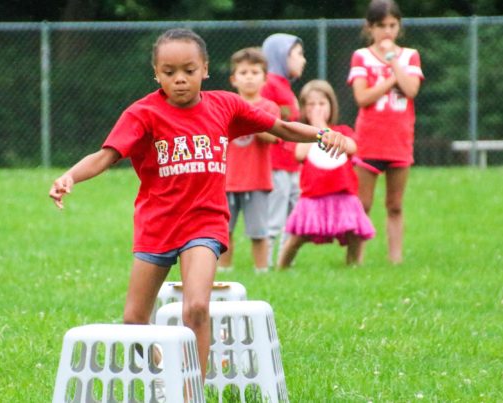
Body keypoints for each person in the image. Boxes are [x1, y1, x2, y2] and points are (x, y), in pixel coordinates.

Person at [48, 28, 349, 385]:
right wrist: (70, 177)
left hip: (204, 224)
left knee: (196, 307)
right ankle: (167, 373)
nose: (179, 79)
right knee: (133, 321)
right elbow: (105, 156)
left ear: (205, 69)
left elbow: (281, 128)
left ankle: (193, 388)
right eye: (169, 71)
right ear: (156, 73)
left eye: (188, 71)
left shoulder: (226, 105)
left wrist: (320, 134)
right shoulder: (143, 113)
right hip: (157, 225)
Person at [347, 0, 424, 264]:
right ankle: (356, 258)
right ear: (370, 28)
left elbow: (412, 89)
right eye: (381, 26)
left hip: (399, 139)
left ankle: (395, 259)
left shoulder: (409, 55)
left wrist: (394, 62)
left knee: (395, 204)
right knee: (362, 204)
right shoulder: (362, 56)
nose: (387, 32)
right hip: (369, 139)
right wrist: (392, 79)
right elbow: (363, 96)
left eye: (392, 25)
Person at [278, 80, 376, 268]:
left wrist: (323, 127)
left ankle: (354, 266)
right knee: (298, 237)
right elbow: (300, 154)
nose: (317, 109)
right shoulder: (301, 134)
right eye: (311, 105)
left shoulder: (341, 132)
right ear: (303, 109)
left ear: (332, 105)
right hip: (313, 197)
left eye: (322, 104)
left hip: (343, 195)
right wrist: (316, 130)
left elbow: (351, 147)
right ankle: (281, 267)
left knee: (354, 234)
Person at [217, 47, 280, 274]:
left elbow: (273, 136)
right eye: (243, 73)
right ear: (234, 79)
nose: (249, 77)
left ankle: (262, 271)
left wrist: (250, 116)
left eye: (255, 72)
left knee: (258, 231)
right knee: (223, 230)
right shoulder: (225, 105)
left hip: (257, 180)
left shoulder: (269, 107)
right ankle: (224, 271)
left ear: (265, 78)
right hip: (226, 181)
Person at [261, 33, 307, 268]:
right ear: (280, 55)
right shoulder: (268, 84)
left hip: (291, 164)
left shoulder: (284, 86)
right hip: (276, 163)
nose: (303, 60)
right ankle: (265, 266)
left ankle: (282, 264)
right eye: (298, 54)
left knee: (293, 217)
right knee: (274, 218)